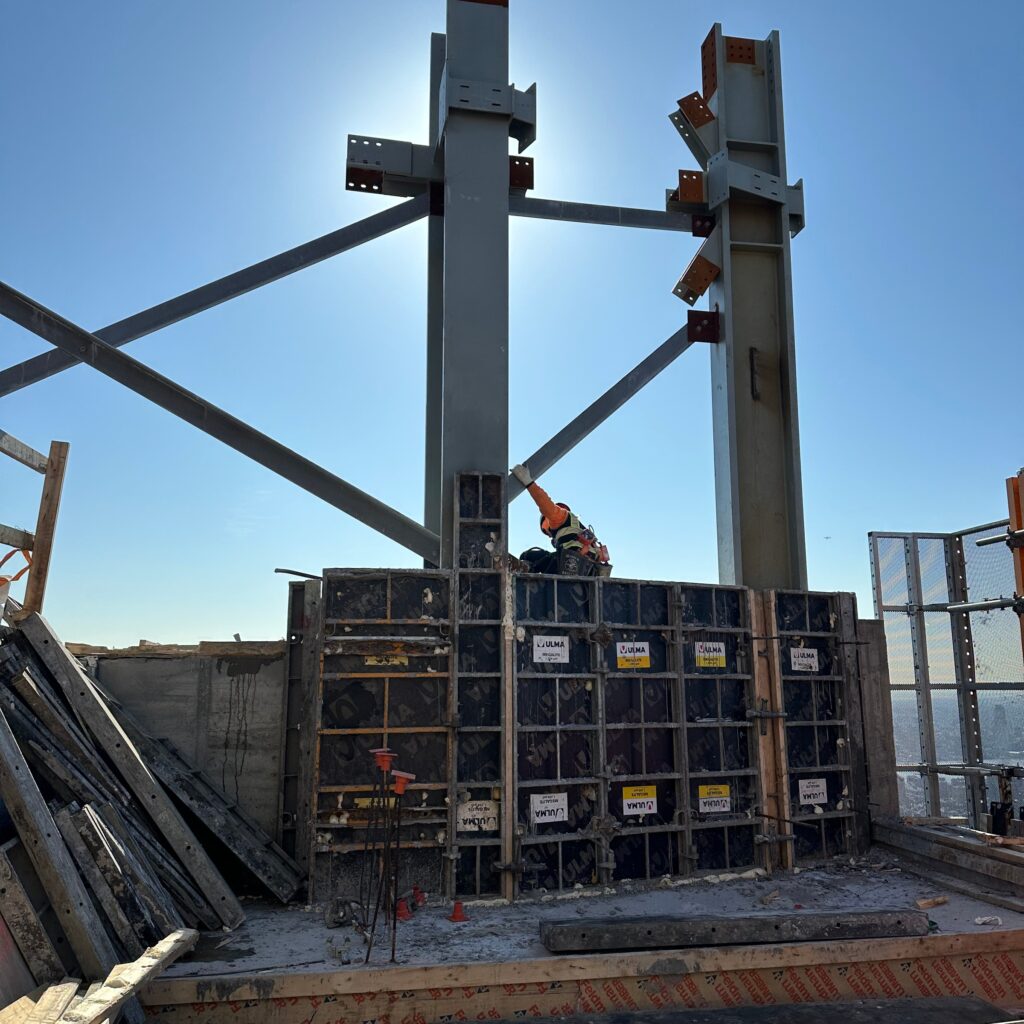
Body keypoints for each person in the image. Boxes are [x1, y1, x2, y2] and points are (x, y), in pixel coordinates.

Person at [511, 464, 611, 576]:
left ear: (545, 520)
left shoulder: (559, 517)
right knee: (548, 557)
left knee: (529, 556)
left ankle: (528, 569)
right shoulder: (576, 527)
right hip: (589, 569)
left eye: (545, 531)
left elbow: (545, 504)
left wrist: (528, 482)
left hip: (572, 564)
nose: (549, 535)